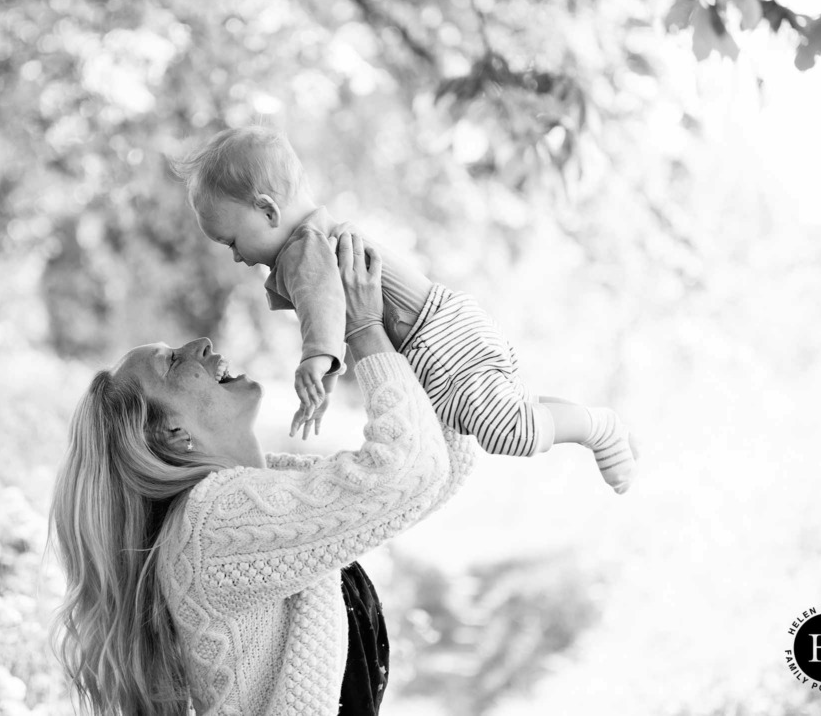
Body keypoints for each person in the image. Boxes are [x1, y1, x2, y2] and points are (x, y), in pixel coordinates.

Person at [49, 232, 479, 715]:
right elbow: (405, 473)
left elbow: (429, 472)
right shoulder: (212, 522)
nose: (200, 343)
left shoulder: (251, 498)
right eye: (172, 362)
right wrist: (362, 327)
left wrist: (413, 333)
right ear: (172, 433)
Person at [172, 125, 636, 493]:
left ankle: (597, 426)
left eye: (232, 241)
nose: (235, 256)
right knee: (503, 414)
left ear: (268, 211)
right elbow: (328, 309)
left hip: (435, 336)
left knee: (504, 433)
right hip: (445, 324)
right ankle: (591, 420)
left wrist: (315, 359)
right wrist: (326, 374)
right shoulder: (315, 239)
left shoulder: (302, 247)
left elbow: (324, 303)